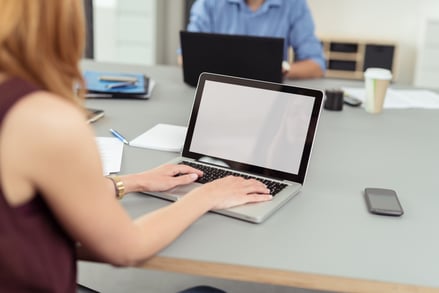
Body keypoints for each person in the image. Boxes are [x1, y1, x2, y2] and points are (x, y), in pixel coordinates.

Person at [0, 1, 272, 292]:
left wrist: (129, 182)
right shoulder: (45, 119)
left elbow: (36, 196)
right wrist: (207, 194)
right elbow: (126, 248)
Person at [186, 0, 326, 79]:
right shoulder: (208, 3)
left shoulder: (294, 4)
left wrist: (283, 69)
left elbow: (316, 66)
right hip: (214, 91)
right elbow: (185, 56)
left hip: (271, 97)